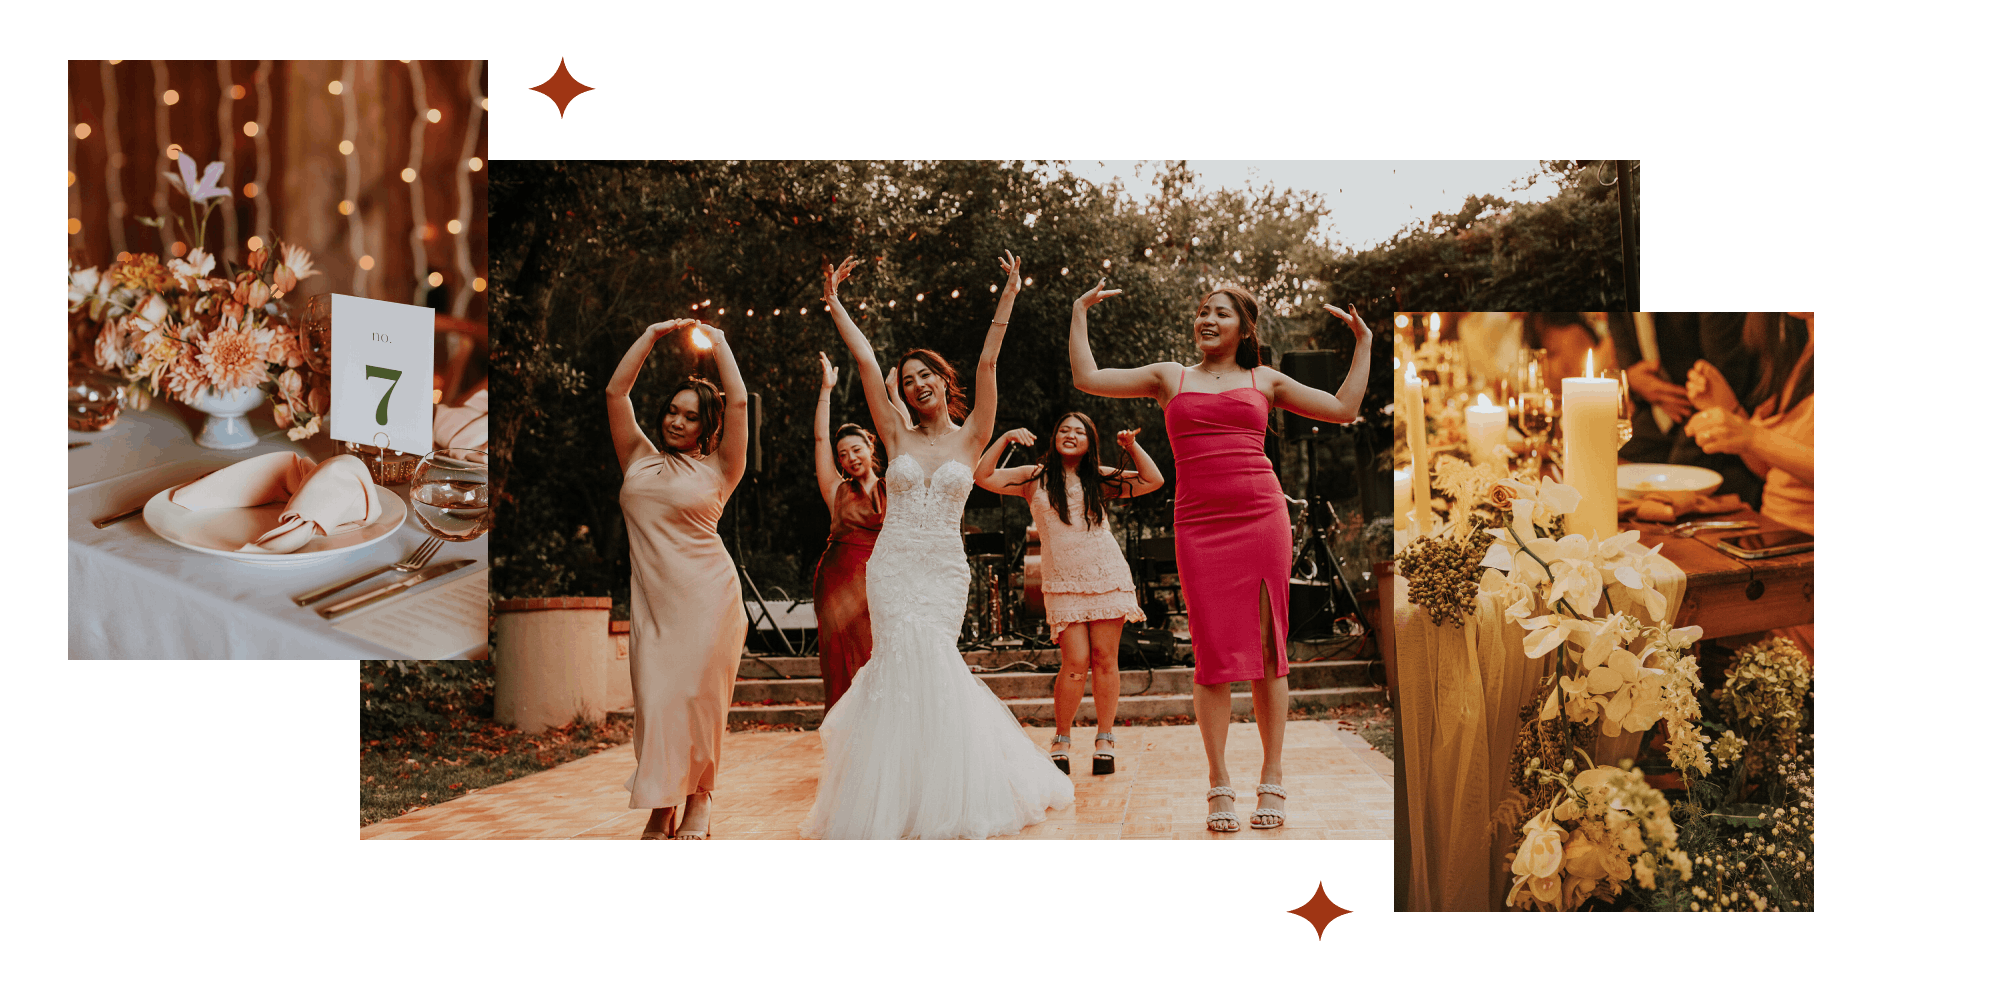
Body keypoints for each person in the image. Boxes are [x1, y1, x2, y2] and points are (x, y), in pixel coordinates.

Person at [1069, 282, 1372, 833]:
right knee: (1211, 655)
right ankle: (1218, 783)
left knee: (1265, 649)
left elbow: (1344, 408)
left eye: (1221, 313)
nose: (1207, 319)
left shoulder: (1266, 380)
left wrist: (1365, 343)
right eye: (1202, 311)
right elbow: (1088, 378)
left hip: (1261, 516)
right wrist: (1078, 313)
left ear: (1244, 327)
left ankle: (1272, 778)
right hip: (1199, 526)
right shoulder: (1169, 377)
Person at [800, 251, 1073, 840]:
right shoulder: (894, 431)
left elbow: (990, 357)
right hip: (892, 565)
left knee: (933, 662)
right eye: (907, 380)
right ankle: (896, 798)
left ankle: (953, 789)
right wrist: (835, 304)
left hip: (943, 568)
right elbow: (866, 362)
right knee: (897, 664)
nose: (915, 385)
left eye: (925, 375)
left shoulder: (974, 431)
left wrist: (1009, 296)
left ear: (941, 381)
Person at [605, 318, 751, 840]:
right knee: (657, 704)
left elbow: (738, 402)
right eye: (672, 410)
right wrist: (648, 335)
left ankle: (697, 800)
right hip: (654, 609)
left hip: (708, 601)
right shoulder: (638, 459)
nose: (676, 421)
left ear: (705, 426)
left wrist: (721, 342)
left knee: (695, 701)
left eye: (690, 417)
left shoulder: (720, 468)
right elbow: (615, 391)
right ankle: (661, 803)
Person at [972, 413, 1163, 775]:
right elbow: (982, 477)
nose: (1070, 435)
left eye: (1079, 432)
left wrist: (1131, 446)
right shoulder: (1034, 477)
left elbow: (1153, 480)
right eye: (1064, 429)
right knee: (1074, 663)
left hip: (1106, 574)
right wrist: (1006, 438)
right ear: (1054, 437)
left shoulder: (1099, 479)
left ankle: (1105, 738)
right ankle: (1062, 738)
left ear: (1090, 441)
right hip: (1062, 582)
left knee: (1106, 659)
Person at [1685, 312, 1815, 533]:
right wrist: (1729, 409)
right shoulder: (1804, 349)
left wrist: (1753, 437)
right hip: (1774, 533)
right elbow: (1769, 470)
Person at [810, 352, 886, 711]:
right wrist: (826, 390)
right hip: (837, 581)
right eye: (843, 455)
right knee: (840, 660)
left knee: (877, 656)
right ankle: (844, 737)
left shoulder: (893, 487)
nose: (850, 458)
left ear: (870, 447)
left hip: (880, 582)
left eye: (856, 449)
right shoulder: (835, 491)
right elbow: (820, 441)